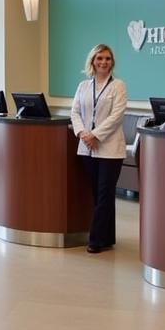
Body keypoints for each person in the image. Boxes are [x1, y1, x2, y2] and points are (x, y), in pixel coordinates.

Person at [70, 43, 128, 253]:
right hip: (87, 147)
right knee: (97, 194)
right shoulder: (83, 86)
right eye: (100, 58)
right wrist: (83, 134)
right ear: (92, 62)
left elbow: (116, 116)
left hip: (110, 149)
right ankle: (107, 236)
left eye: (107, 59)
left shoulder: (118, 85)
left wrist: (95, 135)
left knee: (104, 193)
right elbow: (75, 112)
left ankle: (95, 240)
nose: (104, 62)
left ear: (112, 62)